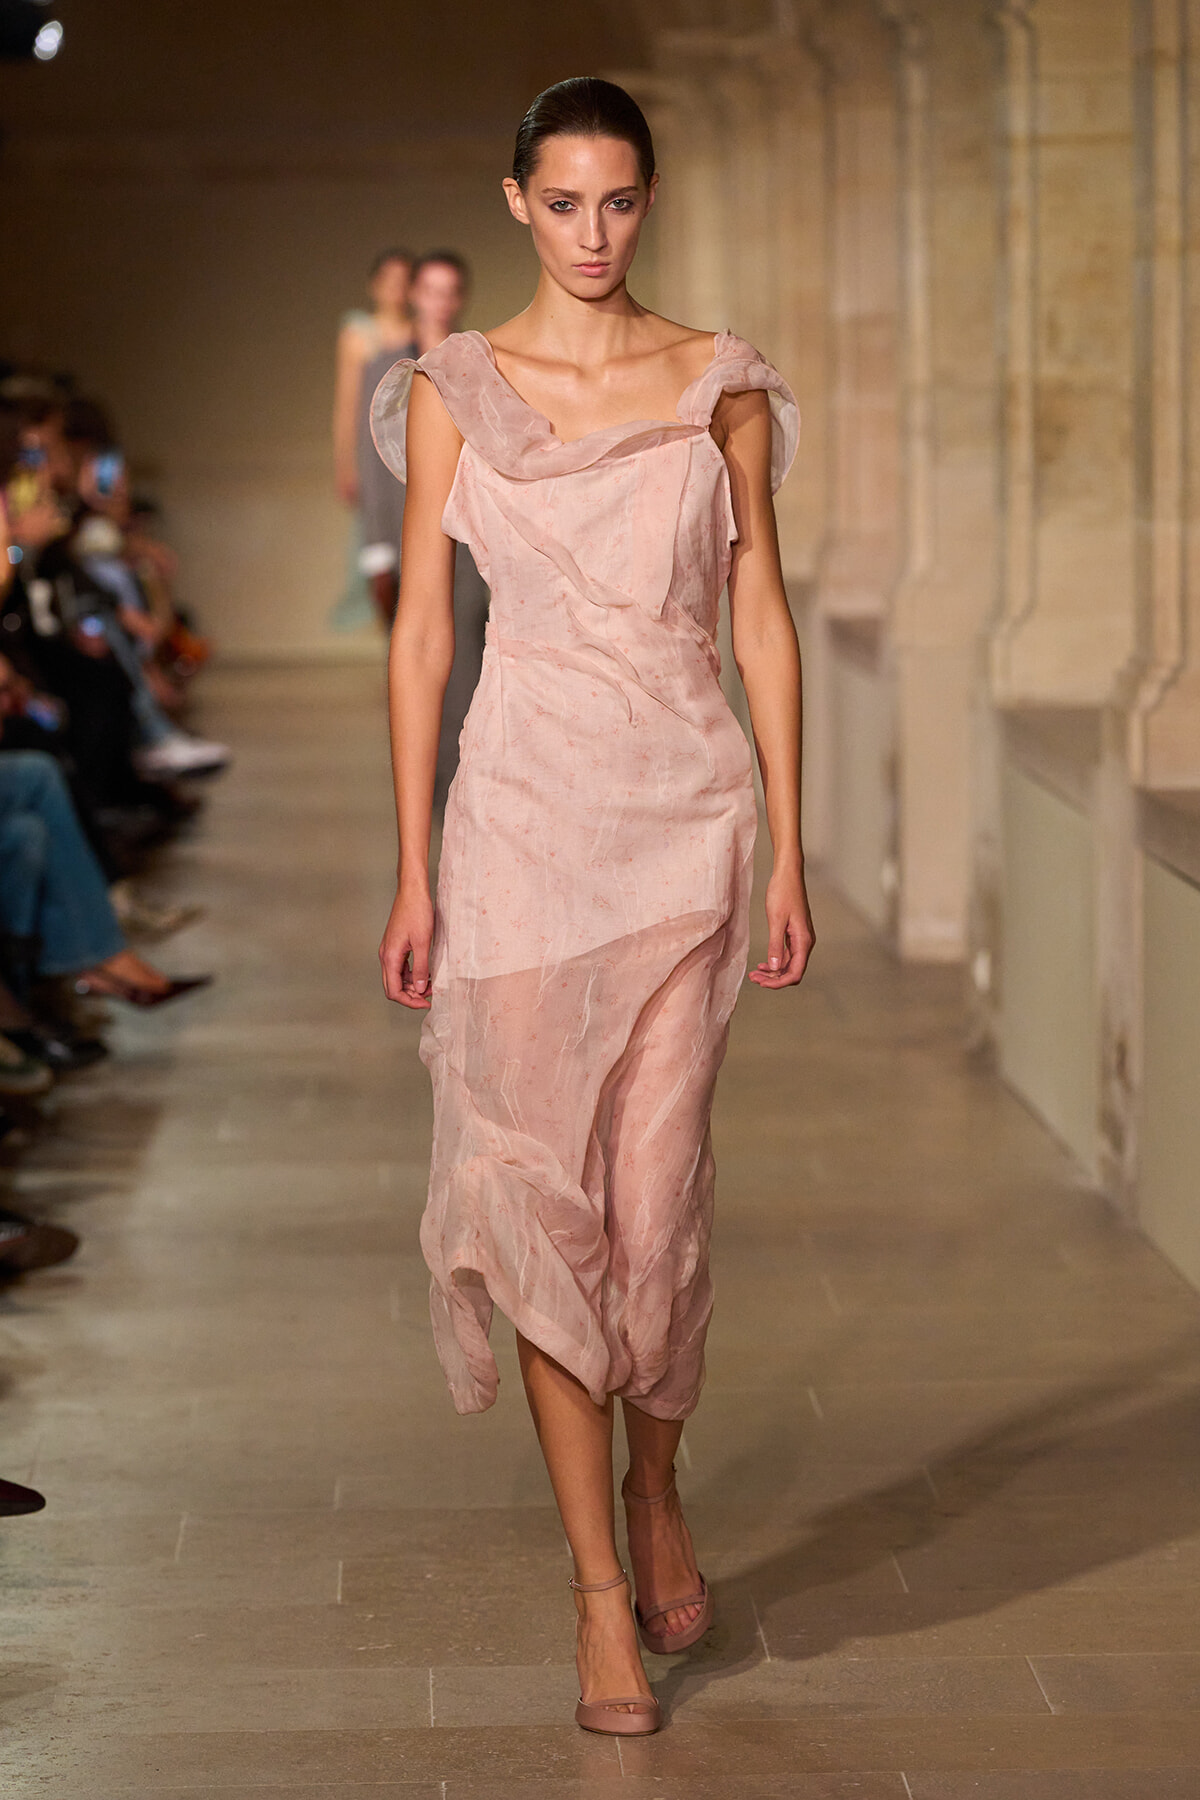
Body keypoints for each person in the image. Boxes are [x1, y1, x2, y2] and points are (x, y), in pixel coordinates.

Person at [373, 78, 814, 1738]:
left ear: (648, 200)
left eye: (618, 201)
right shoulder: (458, 390)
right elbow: (426, 634)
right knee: (541, 1199)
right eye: (562, 203)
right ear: (516, 203)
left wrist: (794, 844)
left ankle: (656, 1483)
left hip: (686, 824)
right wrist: (412, 865)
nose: (591, 233)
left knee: (657, 1199)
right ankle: (595, 1590)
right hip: (519, 830)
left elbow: (757, 609)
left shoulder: (720, 384)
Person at [360, 250, 489, 807]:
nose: (440, 300)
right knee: (415, 655)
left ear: (460, 297)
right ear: (413, 294)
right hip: (406, 534)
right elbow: (372, 459)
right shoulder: (385, 367)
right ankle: (429, 786)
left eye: (449, 290)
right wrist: (375, 550)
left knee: (467, 656)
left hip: (467, 533)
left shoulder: (477, 362)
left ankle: (459, 784)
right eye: (430, 289)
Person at [330, 248, 415, 628]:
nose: (397, 290)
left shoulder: (422, 332)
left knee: (413, 555)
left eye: (404, 281)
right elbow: (347, 403)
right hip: (374, 461)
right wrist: (345, 465)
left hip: (411, 455)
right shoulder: (358, 334)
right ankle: (391, 641)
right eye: (389, 281)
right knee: (378, 561)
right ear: (374, 285)